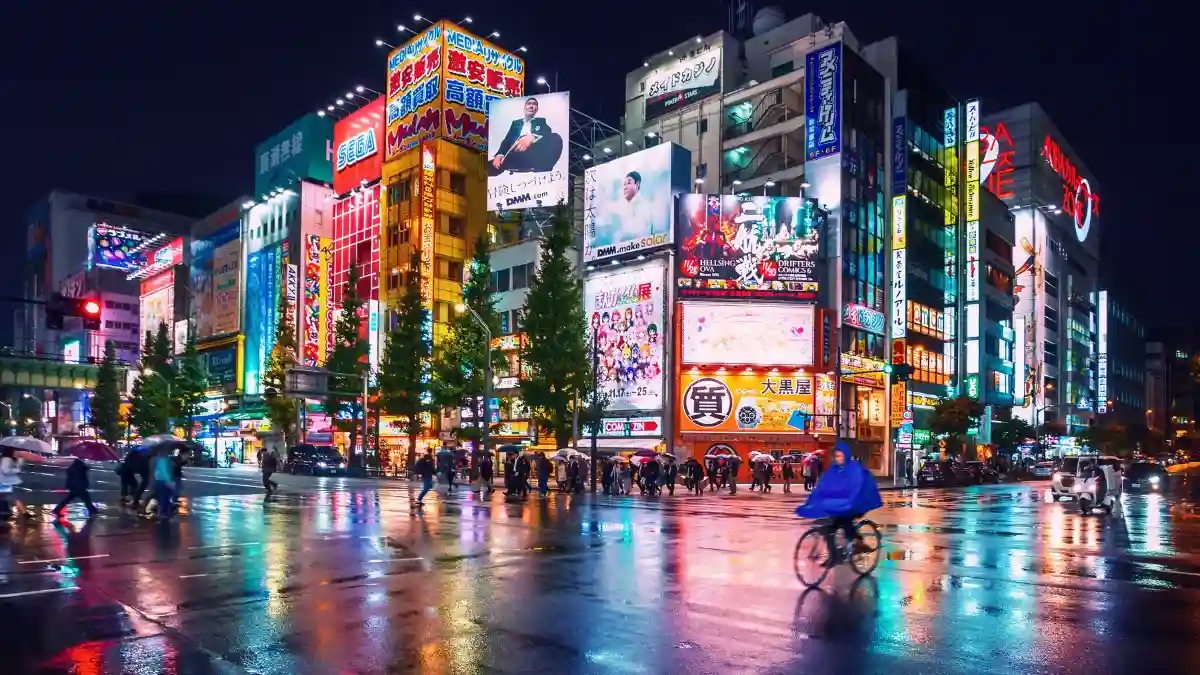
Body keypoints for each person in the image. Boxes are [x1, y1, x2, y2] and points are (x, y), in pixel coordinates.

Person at [795, 443, 883, 554]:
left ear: (846, 455)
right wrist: (810, 502)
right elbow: (822, 487)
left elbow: (857, 486)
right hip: (839, 506)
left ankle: (858, 543)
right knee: (829, 529)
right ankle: (833, 556)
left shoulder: (853, 468)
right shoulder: (833, 470)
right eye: (836, 456)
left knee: (846, 522)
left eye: (840, 456)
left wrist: (851, 501)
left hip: (856, 504)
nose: (838, 458)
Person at [488, 97, 564, 176]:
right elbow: (507, 140)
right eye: (529, 103)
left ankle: (541, 167)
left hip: (534, 153)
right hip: (514, 154)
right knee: (486, 167)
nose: (531, 106)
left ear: (536, 109)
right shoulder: (516, 123)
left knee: (556, 137)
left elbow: (547, 132)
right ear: (525, 107)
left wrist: (532, 137)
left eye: (534, 104)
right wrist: (499, 154)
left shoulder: (541, 121)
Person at [0, 447, 26, 519]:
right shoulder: (6, 459)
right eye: (16, 451)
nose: (17, 452)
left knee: (12, 497)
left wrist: (20, 461)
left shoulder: (10, 459)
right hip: (4, 482)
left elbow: (16, 468)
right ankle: (24, 513)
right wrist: (18, 469)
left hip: (7, 482)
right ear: (11, 451)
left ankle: (24, 512)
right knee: (15, 497)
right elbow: (6, 470)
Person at [152, 447, 176, 520]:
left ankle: (163, 512)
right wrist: (169, 482)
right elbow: (165, 472)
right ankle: (163, 513)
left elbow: (156, 472)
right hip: (164, 481)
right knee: (165, 497)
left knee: (162, 497)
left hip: (159, 481)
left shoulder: (158, 460)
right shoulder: (164, 460)